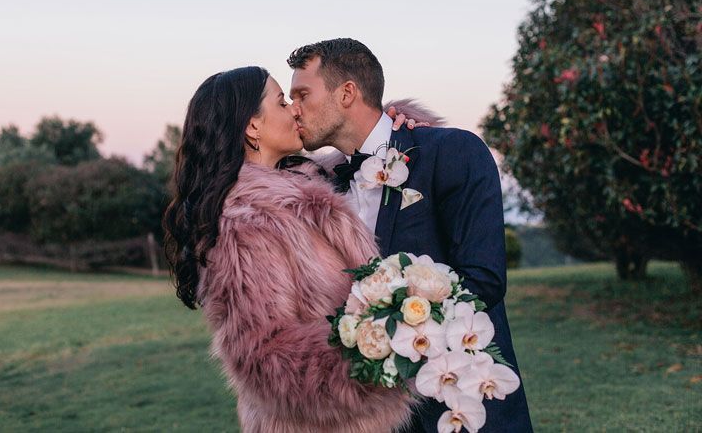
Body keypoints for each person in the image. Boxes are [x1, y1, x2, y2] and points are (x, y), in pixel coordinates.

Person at [287, 38, 533, 433]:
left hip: (465, 407)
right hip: (375, 417)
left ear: (347, 92)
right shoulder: (322, 190)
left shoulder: (452, 152)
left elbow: (483, 280)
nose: (294, 108)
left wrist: (375, 326)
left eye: (302, 93)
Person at [164, 66, 429, 432]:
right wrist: (378, 356)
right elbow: (263, 354)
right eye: (281, 102)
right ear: (252, 126)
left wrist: (393, 124)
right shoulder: (247, 222)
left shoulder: (305, 181)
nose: (295, 110)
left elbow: (362, 148)